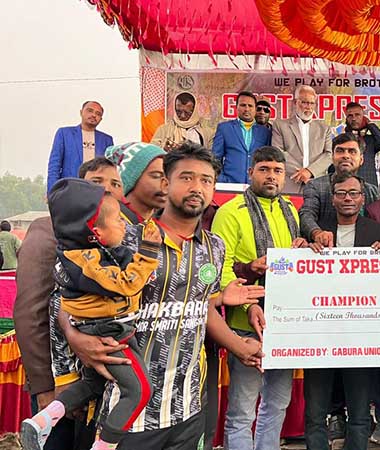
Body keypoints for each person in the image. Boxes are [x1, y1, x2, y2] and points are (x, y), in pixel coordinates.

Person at [60, 143, 264, 450]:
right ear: (166, 183)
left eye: (206, 180)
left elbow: (203, 307)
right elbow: (66, 298)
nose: (197, 187)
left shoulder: (214, 247)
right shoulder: (127, 239)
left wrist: (239, 346)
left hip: (189, 407)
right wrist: (75, 337)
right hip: (130, 413)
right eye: (187, 177)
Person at [21, 179, 162, 450]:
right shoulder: (85, 262)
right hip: (109, 332)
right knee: (140, 390)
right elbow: (127, 284)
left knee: (92, 384)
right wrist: (148, 253)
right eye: (118, 220)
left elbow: (118, 255)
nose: (124, 225)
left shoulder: (85, 249)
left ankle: (41, 421)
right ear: (96, 232)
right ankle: (104, 445)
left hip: (100, 327)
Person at [13, 158, 126, 450]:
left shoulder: (113, 236)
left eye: (115, 183)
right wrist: (45, 388)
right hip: (58, 382)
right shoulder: (47, 230)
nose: (107, 189)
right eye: (97, 182)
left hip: (98, 383)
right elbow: (30, 314)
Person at [211, 146, 307, 450]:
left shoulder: (290, 209)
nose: (271, 176)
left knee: (277, 403)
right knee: (242, 410)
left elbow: (289, 263)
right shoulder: (230, 211)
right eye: (264, 169)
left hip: (283, 322)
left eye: (278, 171)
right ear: (250, 172)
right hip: (245, 324)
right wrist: (249, 302)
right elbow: (221, 267)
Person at [304, 172, 380, 450]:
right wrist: (303, 248)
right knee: (315, 412)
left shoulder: (377, 231)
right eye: (341, 193)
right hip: (319, 334)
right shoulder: (317, 231)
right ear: (333, 198)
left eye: (353, 193)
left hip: (360, 335)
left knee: (360, 414)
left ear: (363, 198)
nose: (348, 198)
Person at [299, 133, 380, 247]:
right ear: (332, 157)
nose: (346, 156)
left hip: (363, 252)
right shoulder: (316, 186)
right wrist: (317, 233)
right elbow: (307, 214)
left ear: (361, 159)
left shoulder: (371, 191)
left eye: (352, 151)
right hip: (325, 250)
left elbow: (379, 224)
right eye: (340, 151)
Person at [271, 85, 333, 193]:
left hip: (316, 182)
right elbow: (278, 152)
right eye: (304, 102)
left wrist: (309, 171)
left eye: (312, 103)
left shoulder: (324, 129)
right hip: (290, 182)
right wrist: (301, 173)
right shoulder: (280, 125)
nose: (308, 107)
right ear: (295, 102)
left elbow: (329, 155)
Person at [47, 101, 114, 193]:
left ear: (101, 119)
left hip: (96, 192)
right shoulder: (64, 134)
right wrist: (52, 192)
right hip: (69, 190)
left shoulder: (107, 140)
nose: (94, 115)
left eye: (98, 114)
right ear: (81, 112)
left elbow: (110, 170)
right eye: (90, 111)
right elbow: (54, 166)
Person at [213, 91, 272, 183]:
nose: (246, 109)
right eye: (243, 105)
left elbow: (268, 161)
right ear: (236, 107)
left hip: (256, 185)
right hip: (230, 185)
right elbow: (215, 158)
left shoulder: (265, 132)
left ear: (255, 109)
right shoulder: (225, 128)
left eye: (250, 106)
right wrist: (222, 179)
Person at [105, 143, 168, 224]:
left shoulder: (164, 224)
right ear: (130, 179)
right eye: (156, 176)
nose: (166, 183)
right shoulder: (110, 224)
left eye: (169, 177)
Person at [344, 102, 380, 187]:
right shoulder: (342, 140)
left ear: (363, 117)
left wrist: (370, 125)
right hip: (347, 186)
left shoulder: (370, 140)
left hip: (369, 185)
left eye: (357, 115)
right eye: (350, 116)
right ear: (346, 118)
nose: (354, 118)